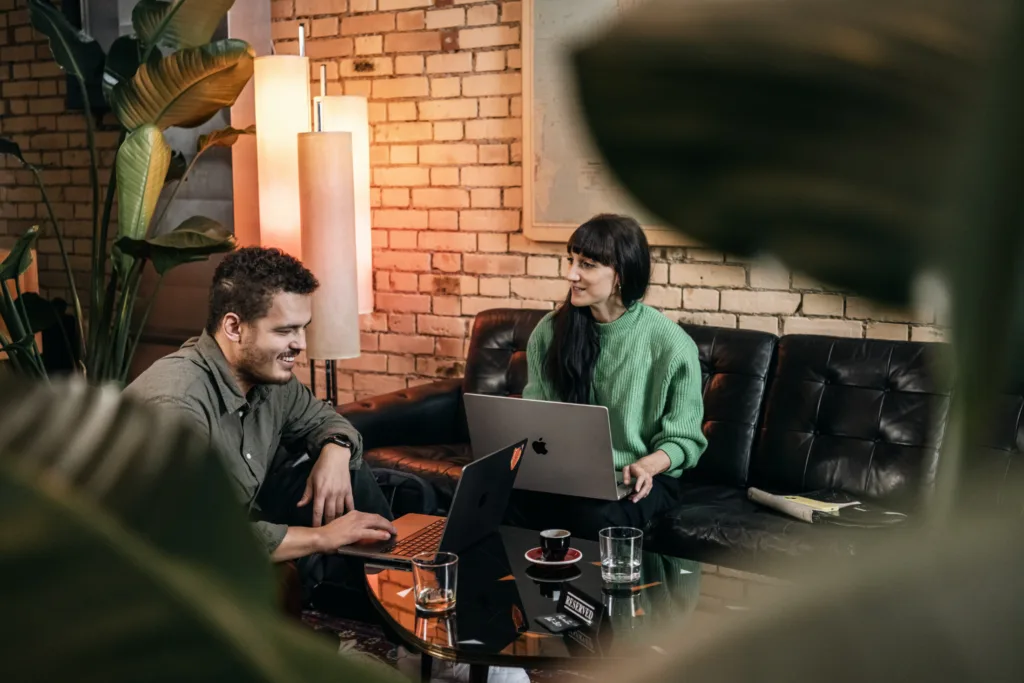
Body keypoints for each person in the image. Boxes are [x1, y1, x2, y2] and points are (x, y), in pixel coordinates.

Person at [124, 246, 397, 604]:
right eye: (285, 331)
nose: (300, 344)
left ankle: (403, 615)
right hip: (145, 565)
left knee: (349, 474)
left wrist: (336, 449)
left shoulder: (266, 380)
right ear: (234, 327)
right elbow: (194, 535)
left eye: (303, 329)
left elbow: (323, 419)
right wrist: (321, 537)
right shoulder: (177, 402)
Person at [506, 214, 708, 540]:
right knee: (502, 501)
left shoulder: (671, 344)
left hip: (641, 477)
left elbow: (686, 441)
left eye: (586, 264)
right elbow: (537, 416)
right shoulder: (549, 332)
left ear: (620, 275)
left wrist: (647, 466)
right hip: (567, 474)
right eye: (571, 261)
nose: (571, 274)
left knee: (593, 516)